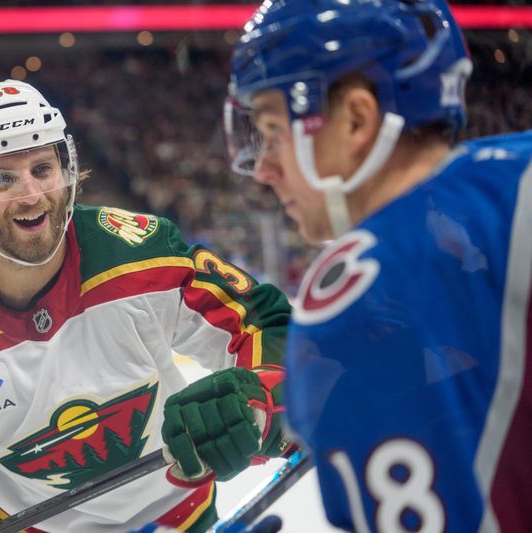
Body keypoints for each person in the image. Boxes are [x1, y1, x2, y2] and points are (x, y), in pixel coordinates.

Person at [0, 80, 293, 533]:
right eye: (3, 177)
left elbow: (260, 324)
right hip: (18, 523)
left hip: (173, 510)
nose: (31, 196)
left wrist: (260, 396)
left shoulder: (141, 254)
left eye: (42, 169)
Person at [225, 0, 531, 531]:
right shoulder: (516, 170)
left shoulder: (356, 295)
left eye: (274, 132)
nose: (264, 169)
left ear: (357, 120)